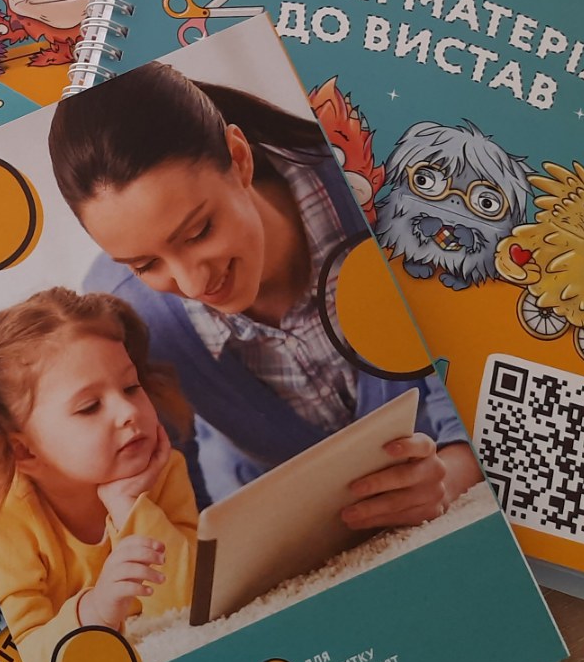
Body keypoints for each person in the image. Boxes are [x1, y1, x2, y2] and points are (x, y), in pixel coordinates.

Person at [47, 61, 480, 524]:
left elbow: (475, 353)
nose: (192, 285)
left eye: (198, 232)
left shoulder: (383, 190)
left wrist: (454, 471)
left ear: (238, 158)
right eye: (145, 265)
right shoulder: (126, 310)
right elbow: (174, 493)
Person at [0, 288, 197, 662]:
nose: (128, 411)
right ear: (24, 450)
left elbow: (191, 602)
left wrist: (129, 506)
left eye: (131, 387)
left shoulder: (160, 471)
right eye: (89, 407)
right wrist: (94, 611)